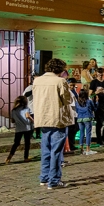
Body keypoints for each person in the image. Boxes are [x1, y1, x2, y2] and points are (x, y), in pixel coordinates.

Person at [33, 58, 74, 189]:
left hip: (43, 118)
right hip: (57, 118)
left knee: (46, 150)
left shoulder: (37, 80)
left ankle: (44, 178)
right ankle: (54, 180)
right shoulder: (60, 81)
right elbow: (67, 100)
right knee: (56, 152)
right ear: (60, 70)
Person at [5, 95, 34, 163]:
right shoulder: (26, 108)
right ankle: (25, 157)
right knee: (27, 143)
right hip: (27, 128)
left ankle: (9, 158)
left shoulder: (13, 110)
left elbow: (12, 121)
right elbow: (27, 116)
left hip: (18, 129)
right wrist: (33, 121)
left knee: (16, 143)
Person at [90, 68, 104, 146]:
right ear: (97, 73)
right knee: (99, 123)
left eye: (102, 73)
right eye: (99, 73)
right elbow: (90, 95)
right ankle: (99, 140)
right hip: (97, 104)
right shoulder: (94, 82)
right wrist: (96, 92)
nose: (101, 74)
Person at [76, 90, 96, 156]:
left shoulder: (77, 102)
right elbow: (94, 108)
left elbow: (76, 110)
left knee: (81, 133)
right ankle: (88, 149)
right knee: (88, 133)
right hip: (87, 118)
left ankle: (81, 149)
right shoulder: (89, 101)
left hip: (79, 118)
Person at [65, 78, 80, 154]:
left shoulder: (74, 91)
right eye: (71, 85)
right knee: (71, 130)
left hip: (75, 113)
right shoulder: (67, 92)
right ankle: (71, 145)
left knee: (75, 129)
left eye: (73, 85)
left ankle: (72, 143)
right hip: (71, 113)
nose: (72, 87)